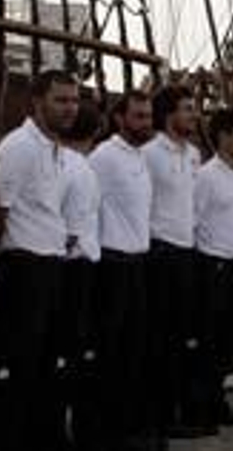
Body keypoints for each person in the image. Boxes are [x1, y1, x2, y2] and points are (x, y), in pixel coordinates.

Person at [0, 69, 77, 450]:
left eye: (73, 100)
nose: (70, 109)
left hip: (48, 267)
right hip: (22, 269)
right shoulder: (19, 148)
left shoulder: (52, 149)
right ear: (37, 102)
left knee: (44, 367)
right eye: (60, 100)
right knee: (13, 368)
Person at [87, 90, 155, 447]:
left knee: (134, 351)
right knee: (110, 353)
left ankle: (127, 425)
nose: (147, 123)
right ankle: (104, 431)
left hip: (136, 263)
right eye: (139, 116)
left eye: (148, 116)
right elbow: (88, 207)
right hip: (112, 263)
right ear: (120, 119)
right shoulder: (105, 158)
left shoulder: (139, 157)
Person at [143, 84, 209, 437]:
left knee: (184, 336)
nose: (194, 115)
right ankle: (159, 416)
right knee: (161, 338)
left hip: (187, 249)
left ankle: (181, 411)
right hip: (161, 250)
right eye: (187, 109)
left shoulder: (194, 155)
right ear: (169, 115)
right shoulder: (151, 153)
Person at [193, 108, 233, 430]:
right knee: (209, 339)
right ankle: (203, 405)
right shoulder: (206, 176)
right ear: (223, 137)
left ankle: (217, 400)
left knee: (230, 339)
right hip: (213, 263)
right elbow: (194, 220)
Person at [55, 97, 102, 449]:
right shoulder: (79, 167)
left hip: (69, 264)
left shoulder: (66, 163)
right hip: (75, 267)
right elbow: (71, 224)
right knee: (74, 352)